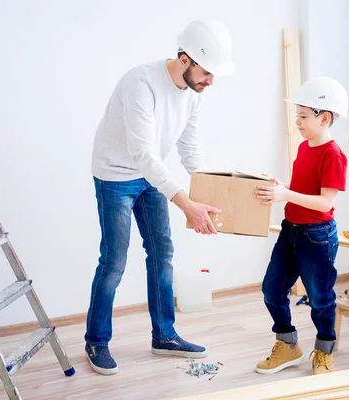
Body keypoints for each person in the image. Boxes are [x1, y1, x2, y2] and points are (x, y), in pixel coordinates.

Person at [85, 19, 235, 375]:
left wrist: (208, 195)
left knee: (162, 252)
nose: (211, 81)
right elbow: (143, 154)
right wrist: (186, 205)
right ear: (185, 59)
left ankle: (164, 335)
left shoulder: (193, 92)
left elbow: (190, 149)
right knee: (114, 260)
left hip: (152, 177)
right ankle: (97, 340)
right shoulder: (141, 83)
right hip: (116, 176)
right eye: (207, 72)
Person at [254, 77, 349, 375]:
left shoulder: (333, 155)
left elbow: (324, 203)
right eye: (297, 115)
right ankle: (288, 345)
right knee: (272, 290)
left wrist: (286, 194)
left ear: (324, 118)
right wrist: (284, 188)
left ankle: (323, 351)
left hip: (316, 236)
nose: (297, 121)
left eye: (303, 116)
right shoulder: (306, 147)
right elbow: (303, 189)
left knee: (320, 299)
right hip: (291, 230)